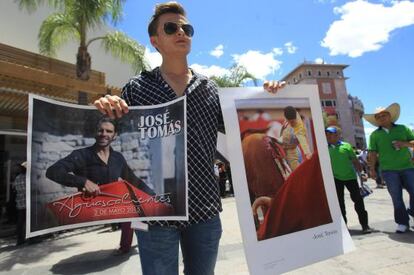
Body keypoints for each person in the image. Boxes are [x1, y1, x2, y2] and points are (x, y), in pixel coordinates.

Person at [94, 2, 285, 274]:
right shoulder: (137, 88)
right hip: (155, 212)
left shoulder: (209, 88)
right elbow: (109, 132)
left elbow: (240, 125)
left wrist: (269, 96)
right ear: (155, 41)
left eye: (187, 28)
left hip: (204, 210)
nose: (181, 32)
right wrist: (108, 105)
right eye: (171, 28)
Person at [46, 116, 154, 254]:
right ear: (95, 133)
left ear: (115, 136)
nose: (104, 134)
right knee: (133, 213)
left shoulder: (118, 158)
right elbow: (52, 171)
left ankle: (129, 244)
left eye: (109, 131)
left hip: (113, 204)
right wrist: (83, 181)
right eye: (100, 130)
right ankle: (133, 239)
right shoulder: (81, 155)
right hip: (91, 205)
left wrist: (153, 195)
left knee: (138, 210)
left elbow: (133, 180)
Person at [364, 103, 414, 233]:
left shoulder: (403, 128)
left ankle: (412, 211)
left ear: (390, 116)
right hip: (388, 170)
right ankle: (402, 223)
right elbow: (373, 153)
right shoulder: (374, 135)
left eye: (384, 115)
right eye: (378, 116)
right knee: (396, 198)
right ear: (376, 120)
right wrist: (372, 169)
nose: (381, 117)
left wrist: (404, 143)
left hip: (408, 167)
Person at [325, 126, 372, 234]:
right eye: (327, 134)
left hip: (351, 178)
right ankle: (344, 227)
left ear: (337, 135)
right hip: (335, 179)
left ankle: (365, 225)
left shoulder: (346, 146)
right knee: (340, 204)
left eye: (331, 133)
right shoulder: (324, 148)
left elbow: (355, 161)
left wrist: (362, 174)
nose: (328, 136)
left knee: (359, 202)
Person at [280, 106, 312, 170]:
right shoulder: (290, 115)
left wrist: (307, 153)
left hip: (291, 151)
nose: (292, 123)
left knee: (295, 171)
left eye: (293, 121)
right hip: (285, 148)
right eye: (290, 122)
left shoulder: (298, 127)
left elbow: (302, 140)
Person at [12, 162, 27, 245]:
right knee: (30, 221)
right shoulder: (27, 178)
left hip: (20, 203)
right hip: (27, 203)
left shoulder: (17, 178)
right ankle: (33, 238)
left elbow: (14, 188)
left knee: (20, 221)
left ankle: (20, 239)